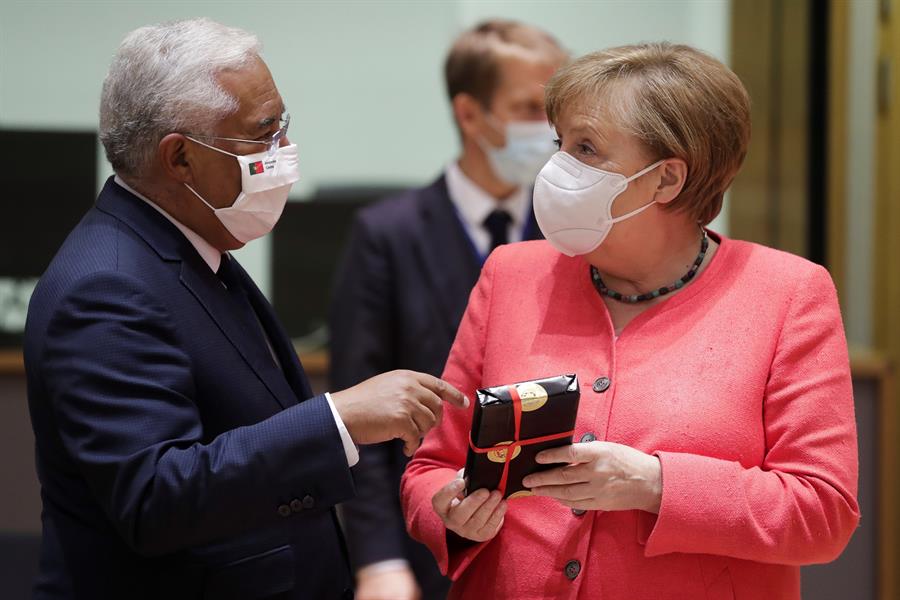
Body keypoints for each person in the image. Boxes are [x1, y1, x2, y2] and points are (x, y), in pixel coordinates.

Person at [23, 18, 467, 600]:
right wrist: (339, 419)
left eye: (283, 125)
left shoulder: (190, 248)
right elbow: (155, 496)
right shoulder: (106, 286)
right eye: (263, 133)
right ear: (180, 158)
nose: (283, 151)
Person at [400, 42, 859, 599]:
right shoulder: (511, 274)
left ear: (666, 180)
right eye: (561, 145)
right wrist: (450, 514)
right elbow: (432, 466)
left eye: (586, 149)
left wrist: (656, 484)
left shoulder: (787, 293)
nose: (556, 169)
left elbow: (823, 512)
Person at [330, 20, 566, 600]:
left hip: (546, 544)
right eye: (530, 108)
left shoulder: (570, 236)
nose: (551, 130)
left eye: (557, 110)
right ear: (470, 114)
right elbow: (361, 412)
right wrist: (378, 560)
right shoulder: (387, 234)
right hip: (422, 539)